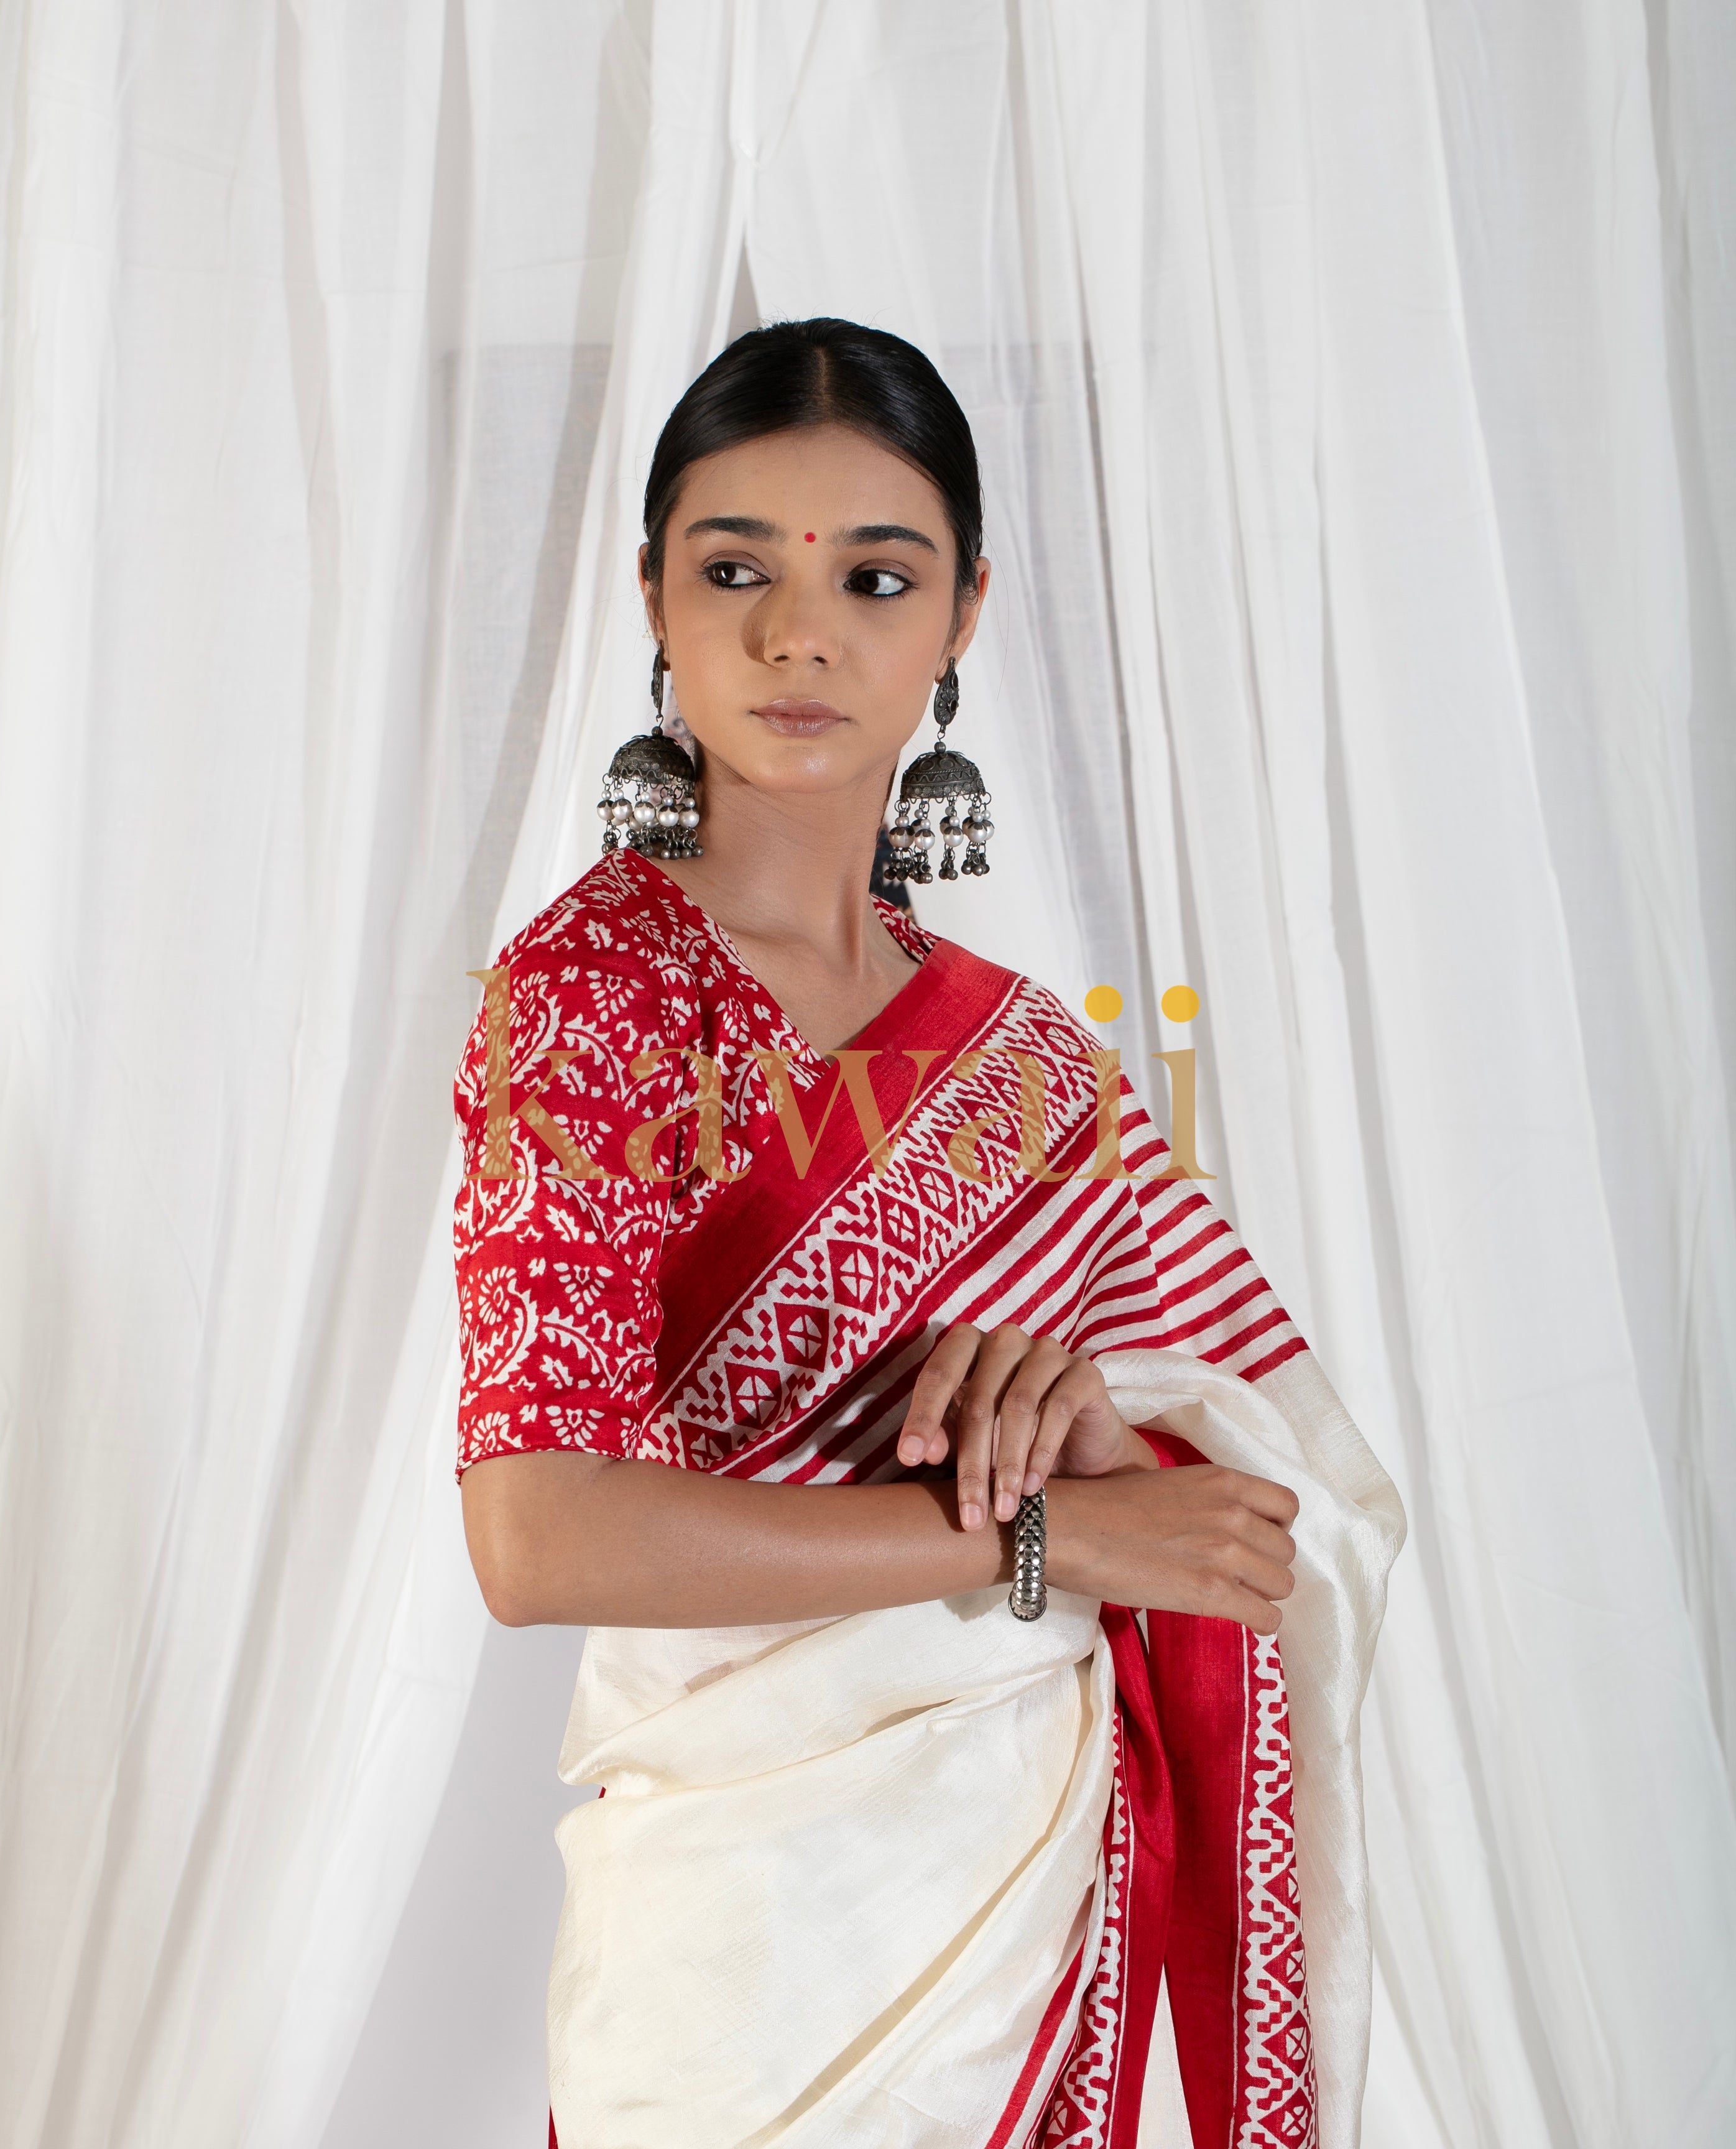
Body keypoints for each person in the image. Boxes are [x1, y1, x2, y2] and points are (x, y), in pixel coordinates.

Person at [451, 318, 1405, 2149]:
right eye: (735, 567)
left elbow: (1255, 1529)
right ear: (649, 591)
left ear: (964, 613)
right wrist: (1042, 1536)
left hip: (1031, 1902)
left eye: (873, 576)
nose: (798, 633)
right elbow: (534, 1529)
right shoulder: (593, 994)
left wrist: (1103, 1449)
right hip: (753, 1942)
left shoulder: (1033, 1056)